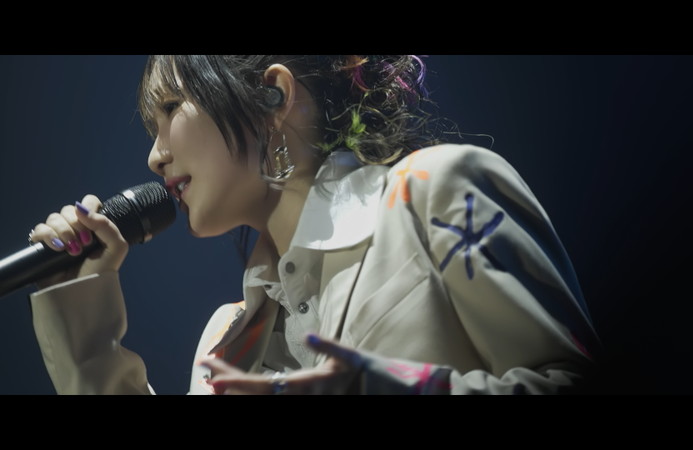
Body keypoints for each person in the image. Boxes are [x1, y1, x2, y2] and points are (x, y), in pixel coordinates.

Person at [27, 55, 599, 395]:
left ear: (273, 95)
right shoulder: (227, 340)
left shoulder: (435, 192)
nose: (155, 156)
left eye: (172, 107)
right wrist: (84, 321)